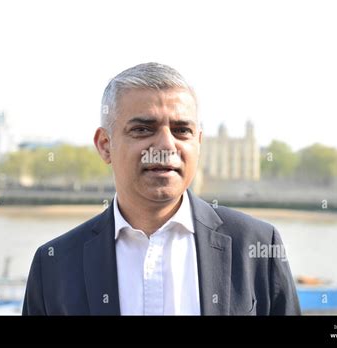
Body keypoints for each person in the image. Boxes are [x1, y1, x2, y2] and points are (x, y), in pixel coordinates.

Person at [22, 62, 301, 315]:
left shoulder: (259, 246)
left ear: (199, 143)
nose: (167, 145)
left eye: (182, 130)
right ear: (105, 145)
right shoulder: (54, 265)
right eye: (143, 129)